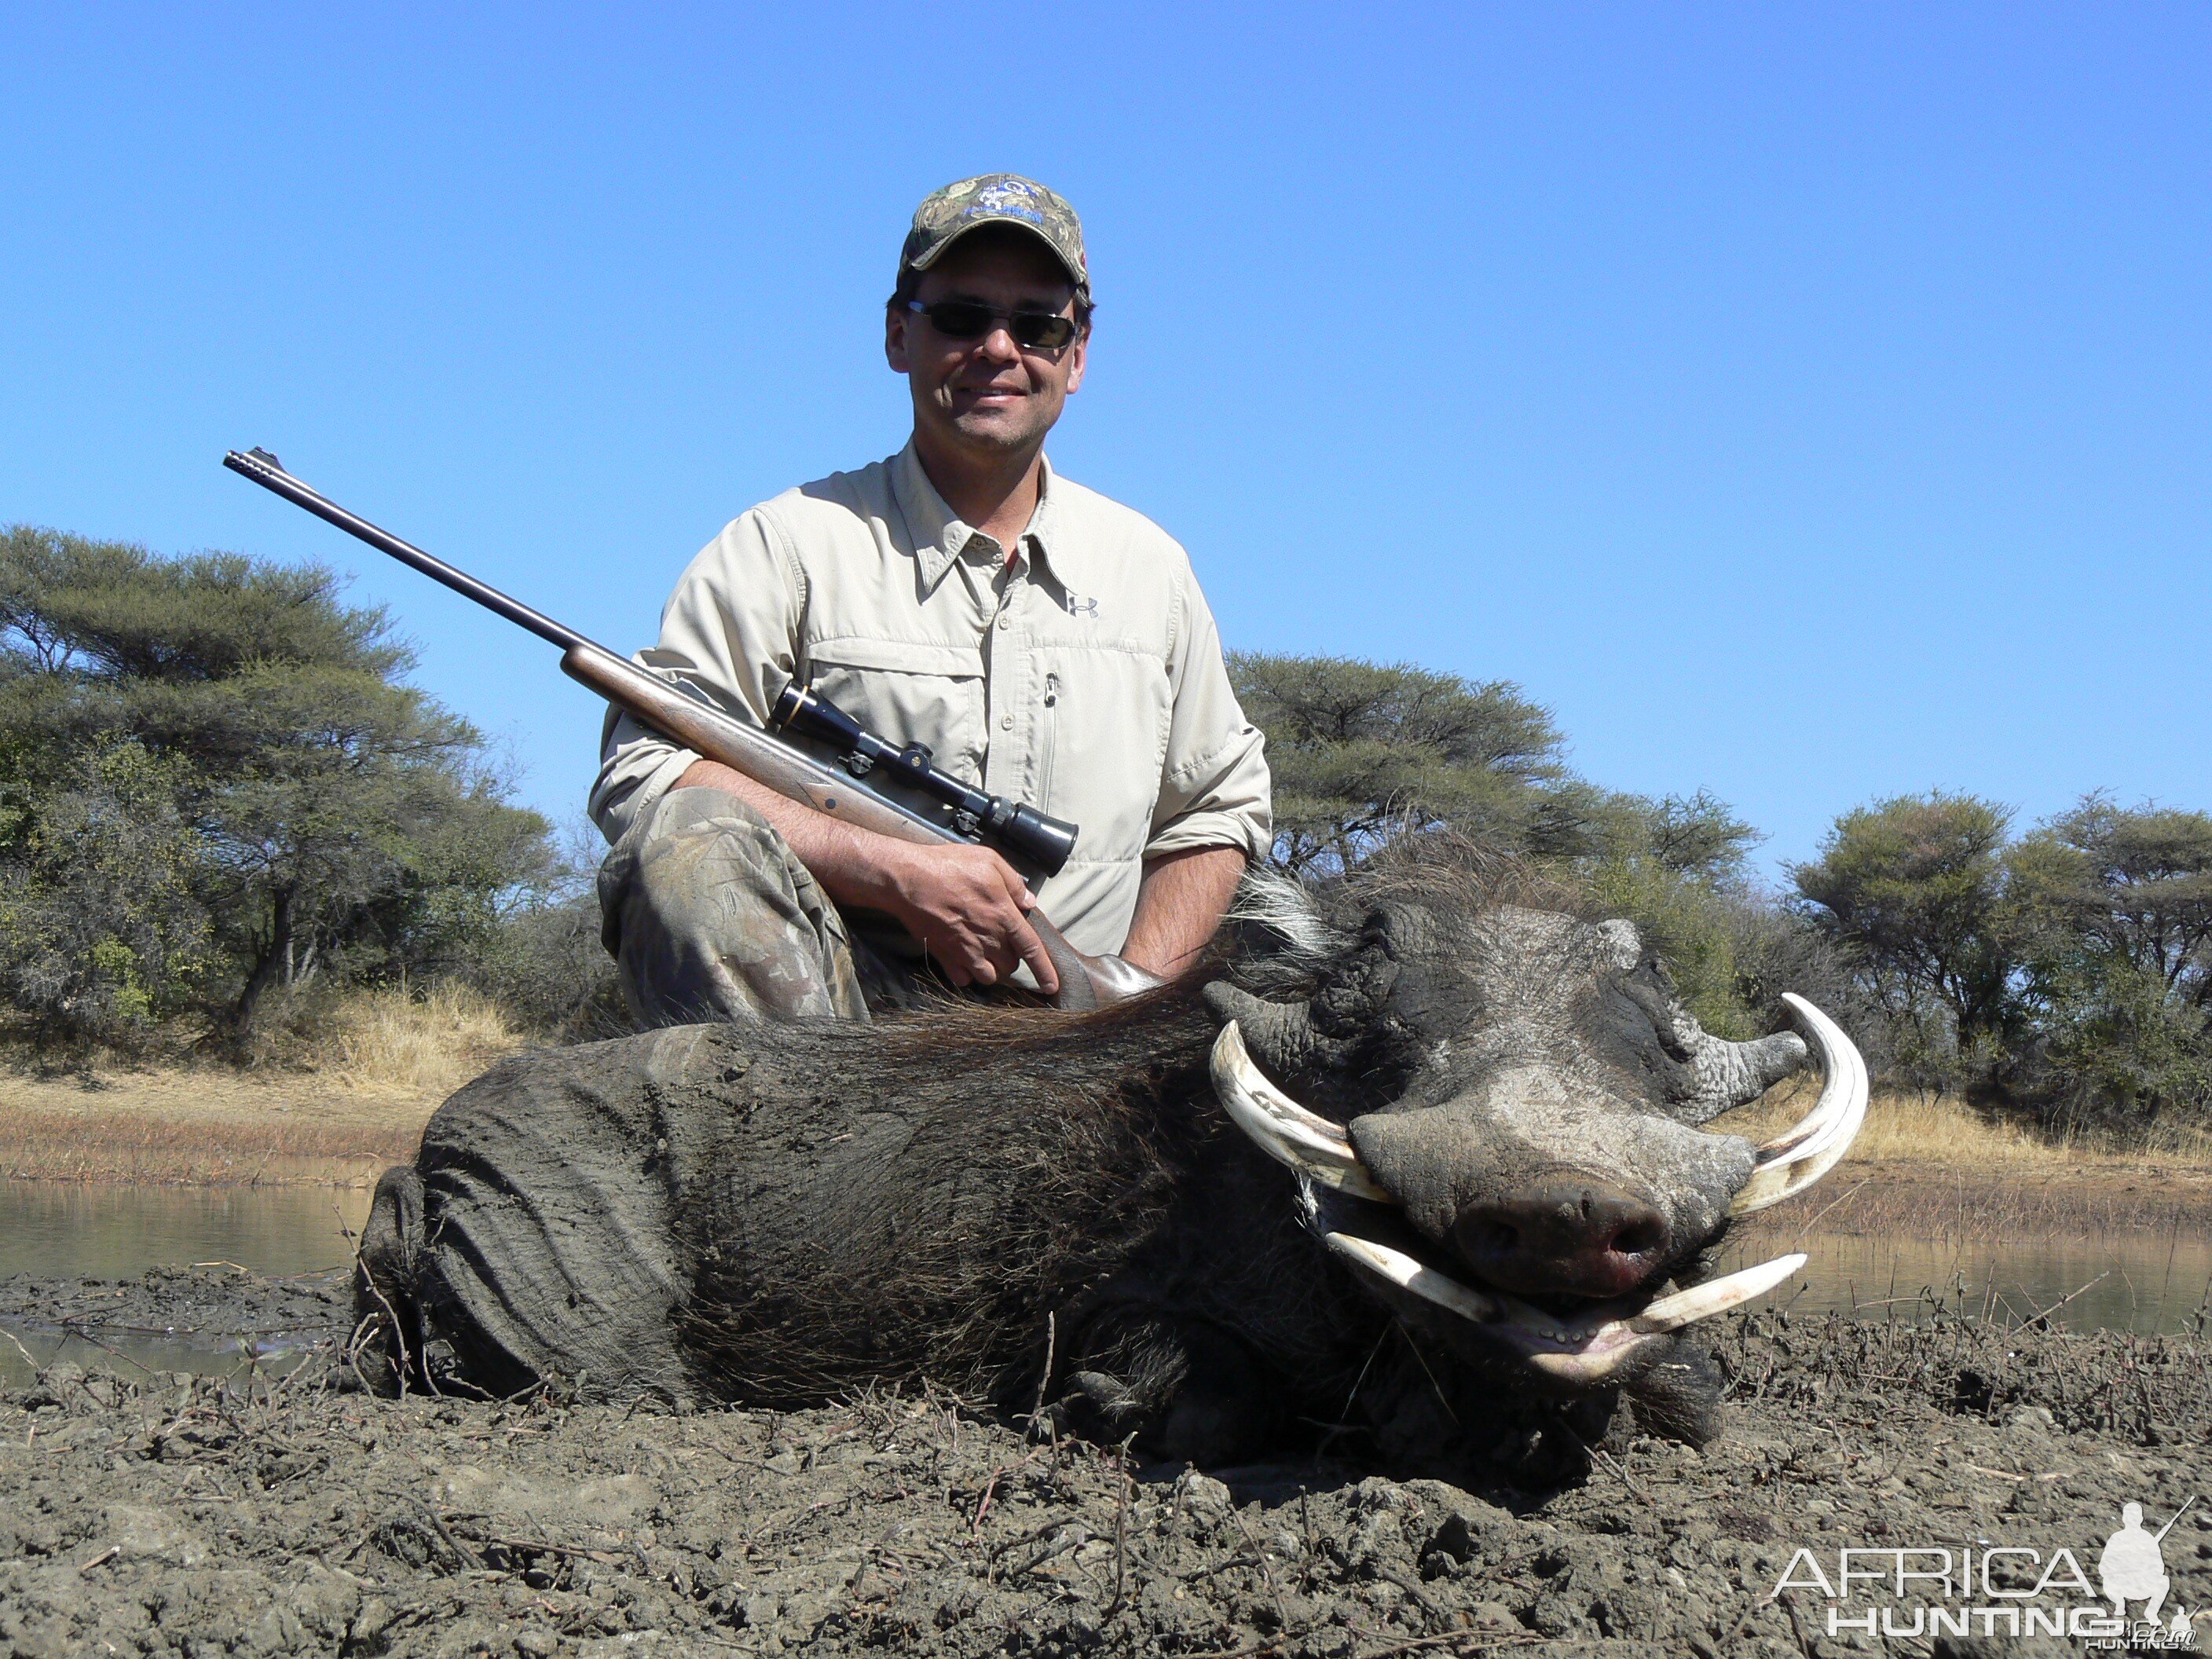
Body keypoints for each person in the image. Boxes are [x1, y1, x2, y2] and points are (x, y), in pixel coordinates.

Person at [590, 174, 1272, 1027]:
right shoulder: (784, 543)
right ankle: (794, 1144)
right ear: (897, 334)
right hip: (839, 1043)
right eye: (960, 317)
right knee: (683, 843)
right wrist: (889, 870)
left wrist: (1123, 1009)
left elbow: (1216, 808)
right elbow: (647, 772)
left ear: (1078, 352)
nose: (997, 348)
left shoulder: (1152, 569)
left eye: (1036, 325)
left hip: (1077, 1052)